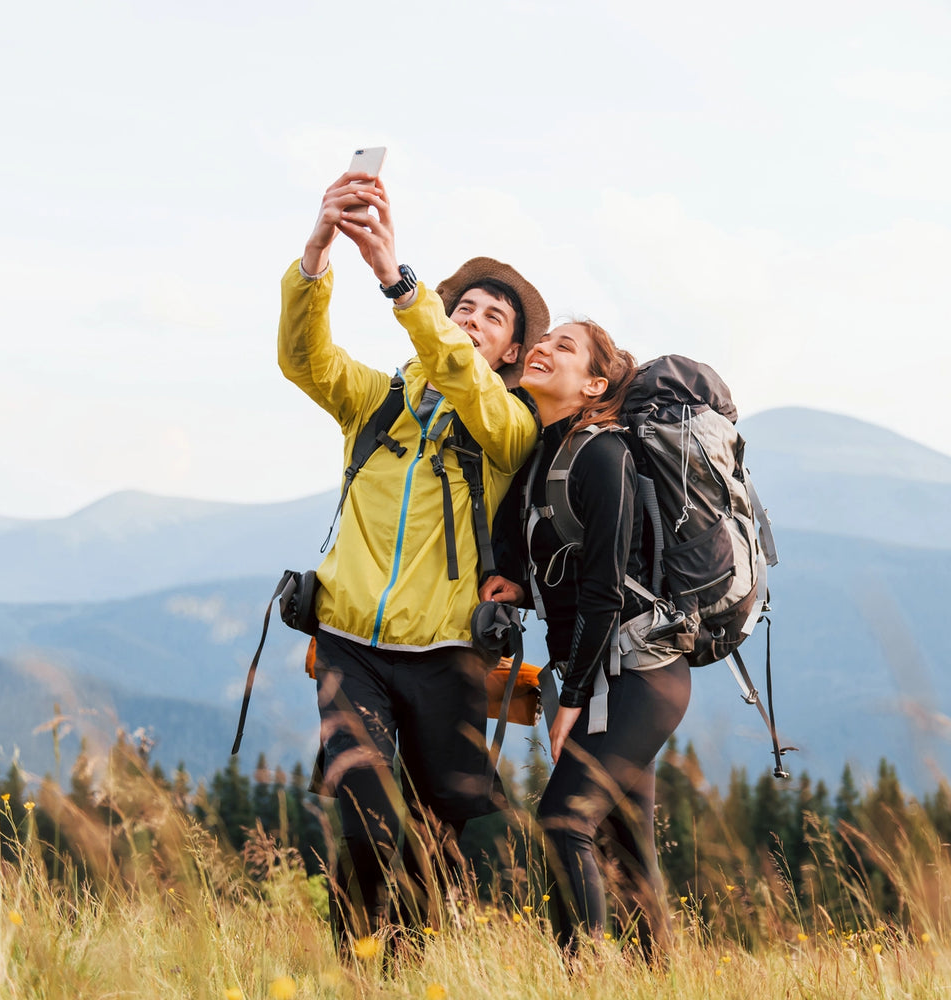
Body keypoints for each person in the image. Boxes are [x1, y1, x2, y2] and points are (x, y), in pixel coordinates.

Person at [278, 170, 546, 945]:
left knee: (437, 834)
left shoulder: (506, 427)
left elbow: (460, 374)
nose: (471, 321)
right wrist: (316, 258)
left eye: (492, 319)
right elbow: (304, 358)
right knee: (365, 814)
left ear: (509, 353)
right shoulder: (375, 402)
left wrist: (401, 284)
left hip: (445, 654)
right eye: (464, 306)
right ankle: (360, 969)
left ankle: (416, 967)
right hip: (351, 644)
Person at [480, 321, 690, 960]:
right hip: (599, 671)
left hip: (639, 675)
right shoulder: (542, 454)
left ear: (595, 384)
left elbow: (603, 590)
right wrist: (514, 587)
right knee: (626, 844)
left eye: (563, 347)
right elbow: (553, 567)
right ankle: (657, 978)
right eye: (541, 341)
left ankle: (581, 979)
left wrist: (570, 697)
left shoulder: (603, 454)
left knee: (562, 823)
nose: (542, 347)